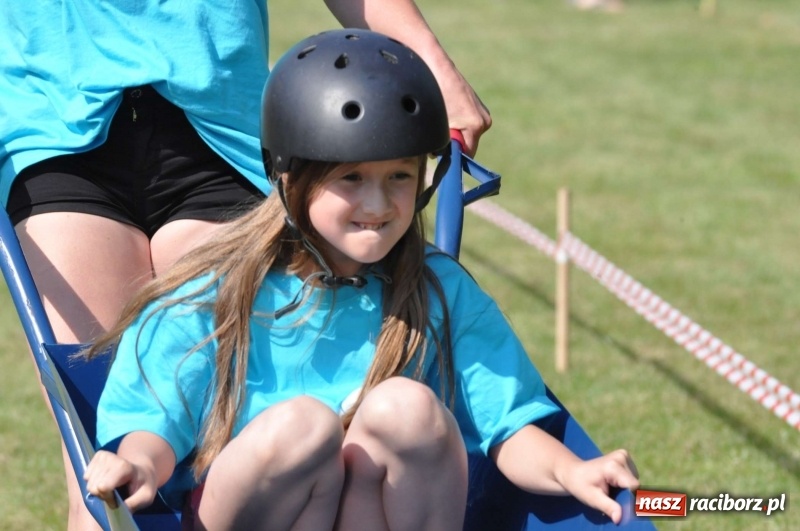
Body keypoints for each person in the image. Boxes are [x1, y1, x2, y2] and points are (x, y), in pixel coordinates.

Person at [82, 29, 638, 530]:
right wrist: (137, 463)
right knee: (304, 426)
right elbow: (156, 418)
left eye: (399, 176)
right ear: (288, 176)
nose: (378, 204)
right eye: (351, 177)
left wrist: (572, 470)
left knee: (408, 408)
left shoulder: (438, 291)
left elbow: (509, 425)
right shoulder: (218, 290)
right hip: (251, 510)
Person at [1, 2, 490, 528]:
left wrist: (434, 66)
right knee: (103, 459)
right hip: (51, 117)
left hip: (219, 116)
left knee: (273, 423)